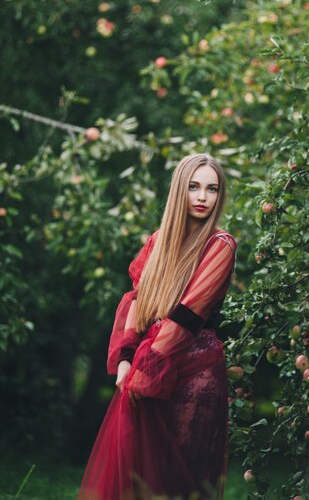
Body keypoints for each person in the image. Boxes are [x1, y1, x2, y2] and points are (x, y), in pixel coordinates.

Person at [77, 153, 237, 500]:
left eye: (211, 189)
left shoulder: (220, 244)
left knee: (180, 479)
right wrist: (125, 358)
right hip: (149, 363)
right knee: (140, 478)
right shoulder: (158, 240)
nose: (202, 197)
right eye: (194, 187)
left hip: (195, 373)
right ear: (179, 190)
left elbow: (187, 315)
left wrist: (145, 370)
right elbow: (138, 301)